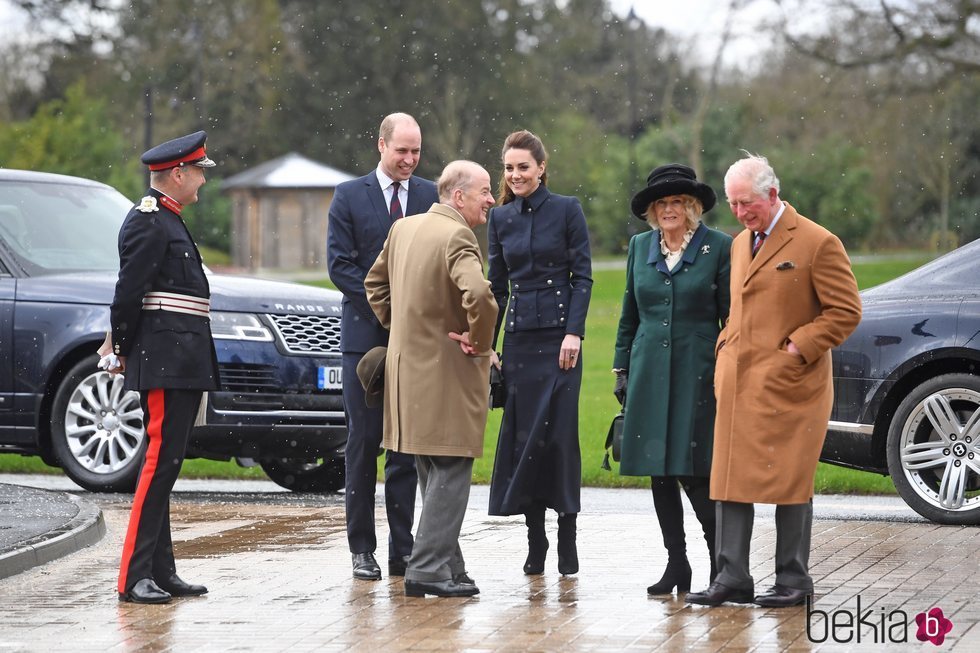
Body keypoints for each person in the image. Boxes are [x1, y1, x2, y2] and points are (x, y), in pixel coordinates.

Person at [686, 153, 861, 608]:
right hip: (739, 383)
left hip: (793, 386)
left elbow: (845, 311)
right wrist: (727, 347)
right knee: (728, 479)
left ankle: (794, 580)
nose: (741, 214)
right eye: (733, 205)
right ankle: (732, 577)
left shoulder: (818, 242)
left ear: (773, 194)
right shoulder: (741, 243)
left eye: (748, 204)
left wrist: (798, 347)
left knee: (790, 481)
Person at [364, 160, 498, 598]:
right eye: (485, 191)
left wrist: (402, 329)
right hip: (448, 376)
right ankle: (426, 569)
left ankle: (449, 566)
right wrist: (480, 342)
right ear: (458, 197)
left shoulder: (403, 228)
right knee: (453, 468)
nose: (492, 199)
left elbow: (374, 284)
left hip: (406, 379)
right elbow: (479, 294)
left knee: (432, 471)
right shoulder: (458, 235)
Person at [109, 130, 220, 604]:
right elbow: (128, 295)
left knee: (167, 466)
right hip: (162, 361)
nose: (201, 180)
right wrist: (122, 351)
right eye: (198, 171)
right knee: (157, 465)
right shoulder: (149, 221)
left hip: (181, 359)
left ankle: (161, 569)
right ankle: (133, 577)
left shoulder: (170, 220)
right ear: (177, 173)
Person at [327, 113, 438, 581]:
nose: (409, 160)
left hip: (416, 344)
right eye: (401, 152)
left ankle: (403, 550)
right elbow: (340, 266)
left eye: (416, 152)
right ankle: (361, 549)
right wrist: (389, 308)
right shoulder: (349, 196)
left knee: (405, 449)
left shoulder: (431, 196)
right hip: (365, 343)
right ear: (381, 145)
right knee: (363, 444)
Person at [613, 164, 732, 596]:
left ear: (692, 207)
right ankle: (677, 565)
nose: (668, 209)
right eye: (661, 203)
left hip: (698, 371)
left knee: (696, 470)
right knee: (658, 472)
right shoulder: (640, 246)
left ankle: (723, 565)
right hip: (648, 371)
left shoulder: (719, 248)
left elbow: (731, 317)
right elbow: (629, 313)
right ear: (652, 211)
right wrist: (621, 366)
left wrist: (725, 366)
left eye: (676, 202)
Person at [486, 130, 593, 576]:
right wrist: (488, 346)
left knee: (558, 437)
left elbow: (583, 276)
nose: (515, 175)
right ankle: (536, 540)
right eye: (509, 168)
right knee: (524, 437)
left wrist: (575, 333)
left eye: (523, 167)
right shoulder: (500, 218)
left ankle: (567, 535)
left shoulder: (567, 209)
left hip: (560, 344)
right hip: (519, 343)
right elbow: (495, 286)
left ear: (541, 167)